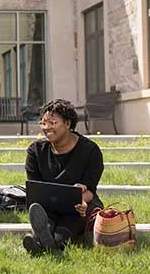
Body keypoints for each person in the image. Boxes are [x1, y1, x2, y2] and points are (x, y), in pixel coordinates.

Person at [23, 98, 104, 254]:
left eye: (52, 123)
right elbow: (35, 189)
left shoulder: (90, 151)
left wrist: (81, 200)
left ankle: (44, 243)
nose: (46, 128)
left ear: (67, 123)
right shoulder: (35, 151)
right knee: (45, 221)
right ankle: (44, 239)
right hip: (48, 206)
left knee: (64, 232)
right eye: (43, 123)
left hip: (79, 206)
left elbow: (90, 190)